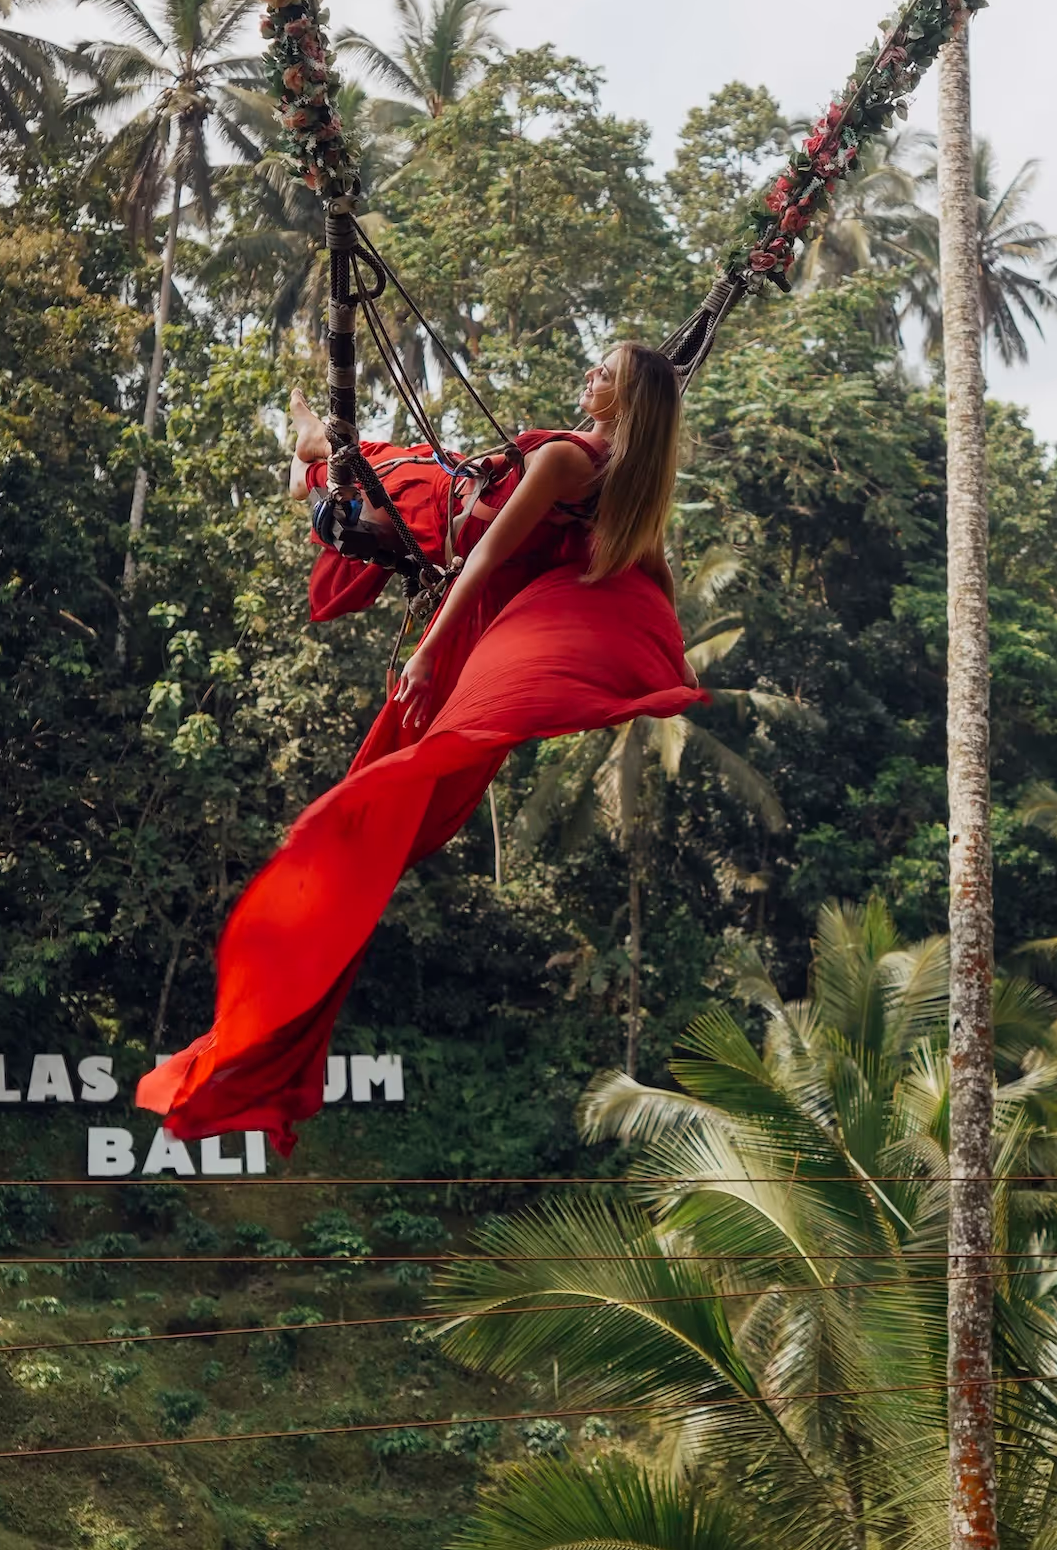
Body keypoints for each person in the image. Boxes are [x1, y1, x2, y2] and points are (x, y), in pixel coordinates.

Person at [138, 344, 705, 1150]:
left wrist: (431, 650)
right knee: (358, 457)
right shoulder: (622, 480)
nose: (590, 373)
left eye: (605, 372)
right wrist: (678, 660)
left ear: (631, 401)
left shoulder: (567, 462)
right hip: (454, 495)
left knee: (348, 473)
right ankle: (309, 442)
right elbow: (657, 571)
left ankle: (306, 445)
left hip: (437, 511)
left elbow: (487, 556)